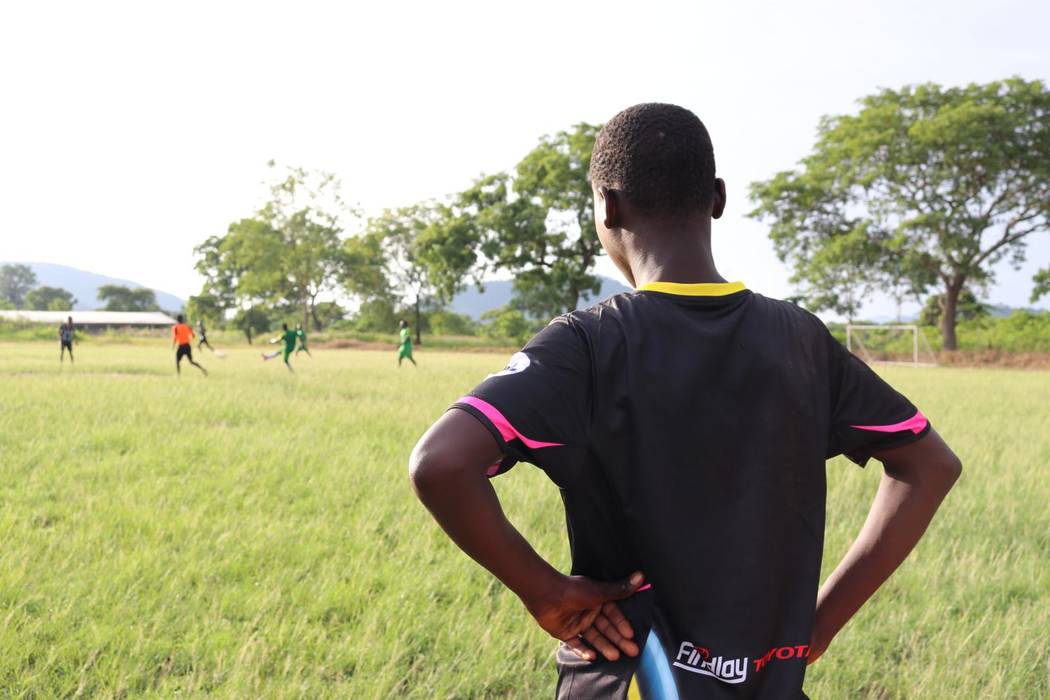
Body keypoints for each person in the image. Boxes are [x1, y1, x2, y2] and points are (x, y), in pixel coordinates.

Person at [409, 103, 962, 699]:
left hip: (633, 681)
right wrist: (818, 624)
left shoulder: (589, 345)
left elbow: (441, 463)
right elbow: (930, 464)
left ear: (607, 207)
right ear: (718, 198)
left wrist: (546, 593)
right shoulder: (801, 339)